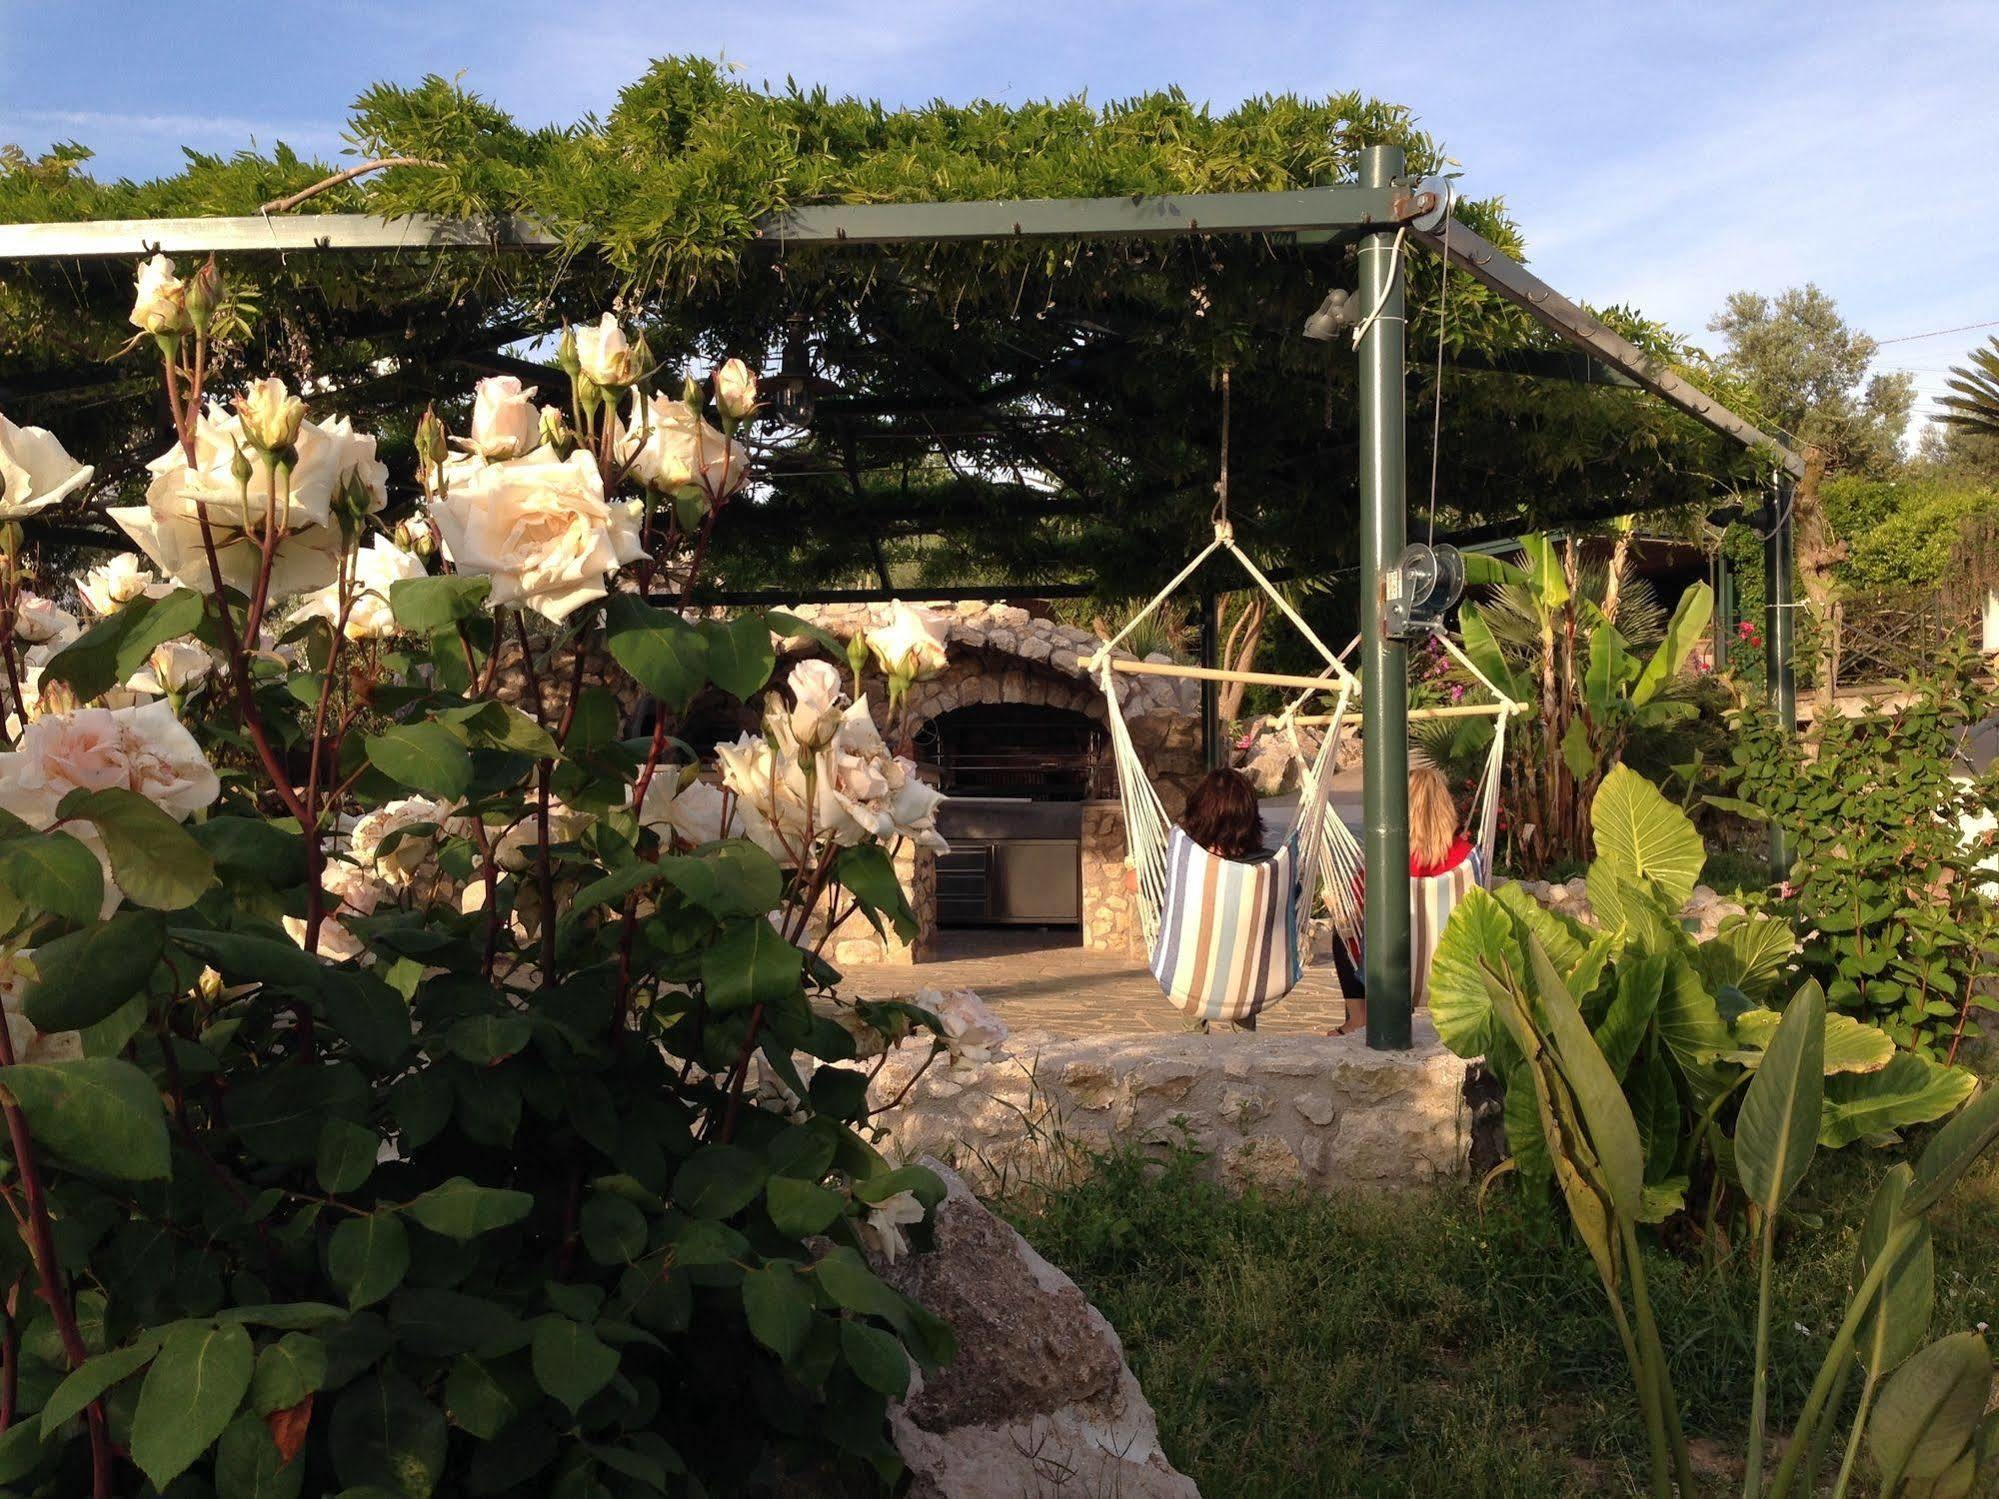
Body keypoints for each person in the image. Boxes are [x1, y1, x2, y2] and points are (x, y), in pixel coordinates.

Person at [1335, 764, 1478, 1035]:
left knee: (1344, 931)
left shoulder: (1384, 859)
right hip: (1453, 969)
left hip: (1391, 974)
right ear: (1446, 806)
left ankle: (1358, 1018)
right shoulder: (1468, 858)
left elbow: (1354, 911)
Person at [1173, 767, 1269, 1031]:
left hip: (1192, 972)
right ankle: (1245, 1057)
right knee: (1241, 976)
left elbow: (1135, 883)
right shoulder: (1267, 865)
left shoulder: (1186, 861)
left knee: (1191, 974)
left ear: (1198, 814)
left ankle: (1195, 1056)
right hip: (1246, 974)